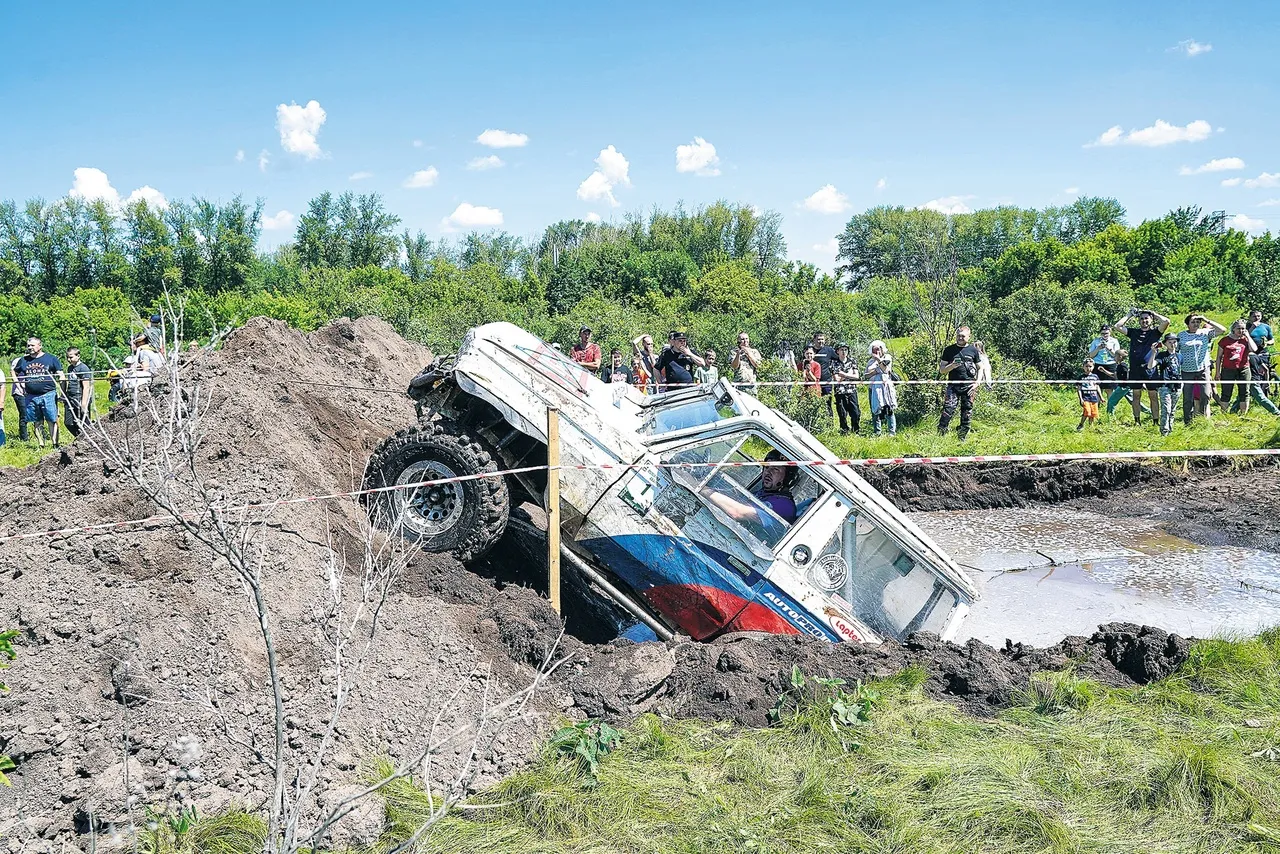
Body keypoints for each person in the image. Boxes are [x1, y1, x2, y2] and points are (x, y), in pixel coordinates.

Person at [701, 449, 799, 533]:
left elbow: (737, 512)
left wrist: (702, 489)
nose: (768, 472)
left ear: (788, 477)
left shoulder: (785, 506)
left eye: (775, 469)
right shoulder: (764, 494)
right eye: (767, 467)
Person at [1114, 308, 1169, 426]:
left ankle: (1156, 422)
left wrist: (1154, 313)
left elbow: (1166, 322)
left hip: (1150, 368)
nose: (1144, 321)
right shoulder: (1134, 332)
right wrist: (1129, 314)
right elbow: (1118, 326)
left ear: (1151, 320)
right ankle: (1137, 421)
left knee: (1153, 396)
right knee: (1136, 395)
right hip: (1135, 369)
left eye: (1146, 318)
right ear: (1139, 321)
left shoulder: (1156, 332)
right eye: (1142, 319)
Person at [1175, 313, 1226, 424]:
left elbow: (1222, 330)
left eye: (1198, 322)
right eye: (1193, 322)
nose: (1196, 324)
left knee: (1206, 394)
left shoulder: (1205, 333)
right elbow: (1175, 351)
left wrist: (1206, 320)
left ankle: (1202, 419)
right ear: (1187, 324)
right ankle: (1187, 421)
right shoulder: (1181, 335)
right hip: (1187, 370)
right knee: (1188, 397)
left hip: (1203, 369)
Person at [15, 337, 64, 447]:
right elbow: (14, 371)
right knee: (36, 421)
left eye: (32, 345)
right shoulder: (23, 360)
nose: (30, 347)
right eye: (28, 345)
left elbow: (61, 374)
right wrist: (19, 386)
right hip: (31, 396)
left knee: (52, 420)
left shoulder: (51, 358)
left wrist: (62, 389)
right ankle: (41, 445)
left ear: (40, 346)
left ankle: (55, 444)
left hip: (48, 394)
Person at [938, 326, 980, 439]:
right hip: (953, 386)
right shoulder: (948, 350)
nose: (960, 338)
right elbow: (942, 370)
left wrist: (977, 382)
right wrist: (951, 366)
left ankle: (961, 438)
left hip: (969, 386)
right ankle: (940, 435)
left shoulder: (973, 350)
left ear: (969, 337)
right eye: (958, 336)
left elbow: (980, 368)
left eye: (963, 336)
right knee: (948, 410)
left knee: (967, 412)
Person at [1215, 319, 1257, 415]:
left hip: (1243, 369)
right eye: (1238, 328)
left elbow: (1254, 349)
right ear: (1233, 329)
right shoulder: (1225, 340)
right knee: (1226, 392)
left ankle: (1243, 414)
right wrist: (1217, 372)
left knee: (1244, 392)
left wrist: (1248, 336)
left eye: (1243, 329)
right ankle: (1224, 414)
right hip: (1228, 370)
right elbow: (1219, 357)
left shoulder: (1245, 339)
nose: (1241, 331)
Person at [1147, 333, 1183, 436]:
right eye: (1170, 342)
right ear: (1165, 344)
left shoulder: (1179, 356)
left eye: (1174, 342)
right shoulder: (1162, 355)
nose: (1172, 344)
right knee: (1166, 409)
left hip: (1177, 385)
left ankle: (1170, 429)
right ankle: (1164, 431)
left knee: (1172, 409)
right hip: (1165, 385)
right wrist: (1153, 352)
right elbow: (1150, 366)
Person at [1235, 344, 1280, 416]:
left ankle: (1276, 412)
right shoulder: (1256, 356)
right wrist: (1267, 381)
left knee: (1261, 398)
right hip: (1256, 379)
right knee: (1242, 396)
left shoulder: (1245, 357)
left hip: (1251, 380)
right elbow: (1266, 369)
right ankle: (1233, 410)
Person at [866, 340, 898, 436]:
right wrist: (876, 371)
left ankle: (892, 432)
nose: (876, 352)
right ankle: (877, 432)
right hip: (873, 388)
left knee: (889, 410)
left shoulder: (887, 357)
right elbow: (866, 375)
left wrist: (879, 360)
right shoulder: (870, 361)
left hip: (886, 388)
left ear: (882, 349)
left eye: (878, 349)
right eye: (874, 350)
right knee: (875, 410)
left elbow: (886, 370)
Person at [61, 347, 94, 438]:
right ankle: (79, 438)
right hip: (70, 398)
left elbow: (86, 386)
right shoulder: (70, 368)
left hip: (80, 397)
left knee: (84, 422)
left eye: (71, 357)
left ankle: (88, 439)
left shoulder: (83, 368)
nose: (68, 359)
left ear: (78, 356)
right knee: (68, 423)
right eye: (67, 357)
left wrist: (83, 403)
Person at [831, 343, 861, 434]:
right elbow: (837, 379)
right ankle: (844, 431)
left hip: (851, 390)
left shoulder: (852, 361)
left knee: (855, 412)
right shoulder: (834, 363)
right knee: (842, 413)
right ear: (837, 351)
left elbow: (857, 376)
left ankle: (856, 430)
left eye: (845, 350)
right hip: (840, 391)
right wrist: (848, 374)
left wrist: (844, 374)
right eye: (841, 350)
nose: (844, 352)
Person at [1078, 359, 1101, 431]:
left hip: (1094, 397)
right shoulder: (1081, 377)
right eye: (1086, 366)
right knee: (1087, 411)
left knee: (1093, 413)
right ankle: (1081, 424)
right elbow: (1079, 389)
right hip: (1085, 398)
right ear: (1083, 367)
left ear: (1093, 367)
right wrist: (1081, 398)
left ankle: (1091, 426)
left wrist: (1101, 397)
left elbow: (1097, 387)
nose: (1088, 368)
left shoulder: (1095, 377)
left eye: (1090, 366)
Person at [10, 356, 27, 442]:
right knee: (24, 415)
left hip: (31, 393)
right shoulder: (18, 360)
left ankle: (41, 435)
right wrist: (20, 387)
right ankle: (24, 438)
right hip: (19, 392)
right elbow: (13, 373)